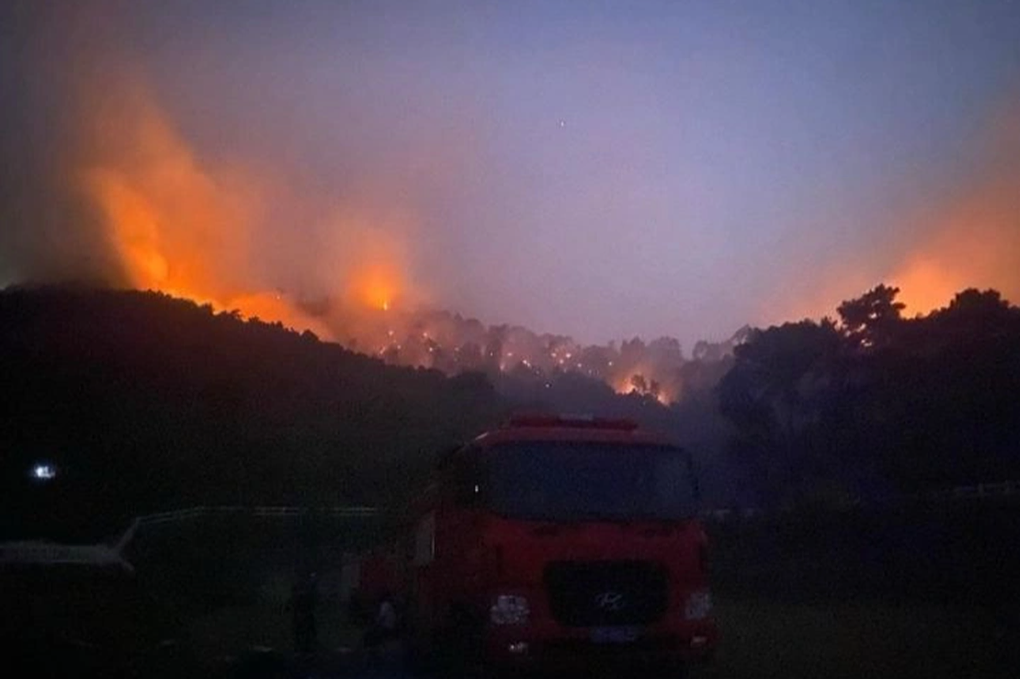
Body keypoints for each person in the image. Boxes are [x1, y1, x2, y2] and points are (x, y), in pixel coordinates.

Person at [289, 571, 318, 654]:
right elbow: (296, 602)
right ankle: (301, 647)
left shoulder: (307, 590)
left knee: (306, 631)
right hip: (302, 613)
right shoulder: (302, 590)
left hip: (305, 613)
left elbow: (311, 602)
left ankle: (305, 646)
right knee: (301, 631)